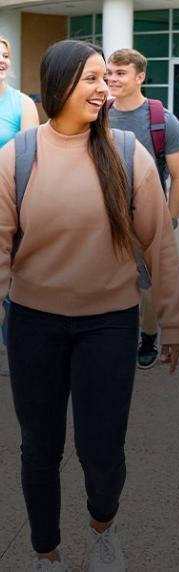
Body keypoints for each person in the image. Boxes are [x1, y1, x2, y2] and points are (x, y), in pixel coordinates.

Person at [0, 39, 179, 572]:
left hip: (109, 324)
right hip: (34, 323)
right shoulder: (19, 155)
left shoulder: (129, 155)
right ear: (59, 84)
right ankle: (46, 552)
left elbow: (160, 245)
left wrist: (172, 320)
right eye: (91, 78)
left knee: (102, 452)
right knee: (39, 447)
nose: (104, 88)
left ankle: (102, 527)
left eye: (107, 78)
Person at [107, 48, 179, 370]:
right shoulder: (98, 113)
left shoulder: (162, 121)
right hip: (103, 216)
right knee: (109, 279)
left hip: (146, 217)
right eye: (109, 72)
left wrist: (169, 219)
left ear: (139, 77)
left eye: (120, 73)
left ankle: (148, 336)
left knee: (149, 285)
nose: (112, 79)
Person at [0, 35, 39, 376]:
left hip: (10, 200)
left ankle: (13, 348)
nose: (1, 61)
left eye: (5, 56)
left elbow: (27, 156)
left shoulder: (22, 103)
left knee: (12, 277)